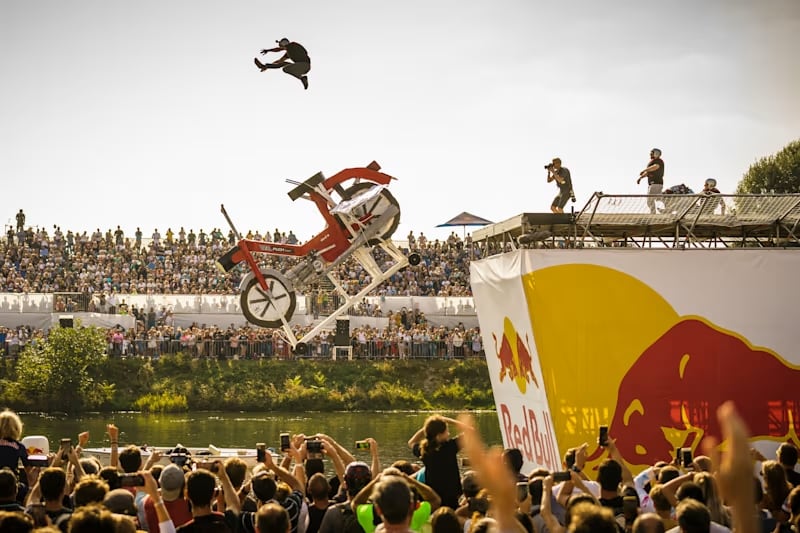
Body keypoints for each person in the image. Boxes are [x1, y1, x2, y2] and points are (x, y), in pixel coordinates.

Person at [408, 415, 472, 510]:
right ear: (439, 435)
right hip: (451, 496)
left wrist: (426, 428)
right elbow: (471, 431)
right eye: (446, 431)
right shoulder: (450, 447)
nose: (449, 434)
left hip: (433, 496)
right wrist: (449, 420)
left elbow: (411, 442)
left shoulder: (424, 450)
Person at [637, 148, 665, 214]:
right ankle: (668, 208)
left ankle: (653, 213)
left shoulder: (658, 161)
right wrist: (641, 178)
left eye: (652, 153)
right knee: (658, 198)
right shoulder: (653, 161)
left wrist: (644, 170)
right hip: (654, 184)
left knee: (650, 200)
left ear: (656, 153)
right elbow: (649, 172)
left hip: (655, 184)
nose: (650, 154)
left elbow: (655, 167)